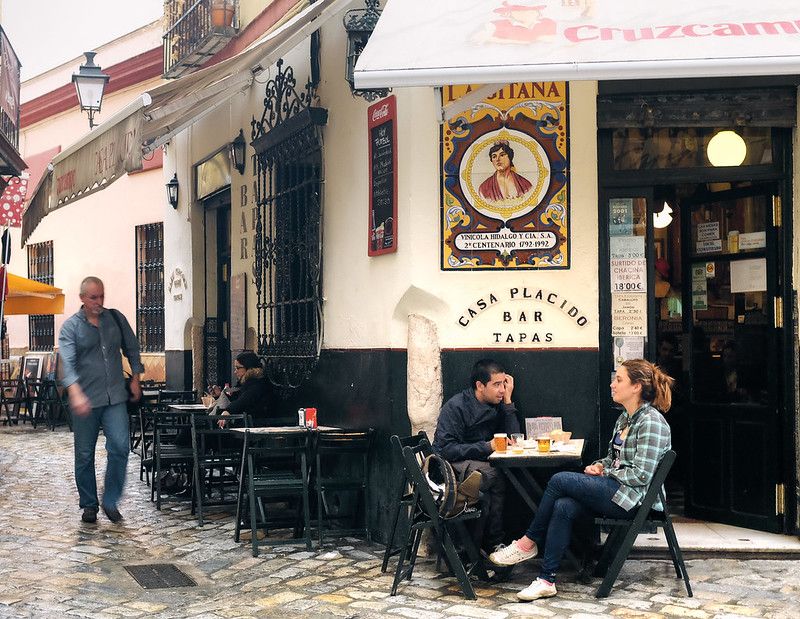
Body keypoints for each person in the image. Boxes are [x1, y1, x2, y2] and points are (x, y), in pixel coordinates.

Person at [489, 359, 673, 601]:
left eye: (619, 380)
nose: (612, 384)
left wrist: (605, 473)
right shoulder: (625, 419)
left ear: (636, 387)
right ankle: (546, 580)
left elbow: (641, 475)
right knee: (563, 505)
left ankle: (527, 542)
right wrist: (600, 465)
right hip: (616, 490)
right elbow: (613, 459)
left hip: (633, 500)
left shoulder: (651, 421)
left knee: (559, 480)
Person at [59, 276, 143, 524]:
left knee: (120, 447)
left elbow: (132, 348)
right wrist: (75, 393)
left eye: (101, 296)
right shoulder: (71, 328)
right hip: (85, 400)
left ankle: (110, 500)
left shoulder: (115, 319)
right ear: (82, 298)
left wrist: (136, 378)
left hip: (114, 397)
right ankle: (88, 505)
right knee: (84, 455)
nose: (98, 302)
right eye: (93, 297)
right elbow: (67, 364)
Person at [433, 358, 520, 554]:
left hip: (476, 463)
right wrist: (486, 447)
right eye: (497, 385)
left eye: (503, 384)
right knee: (494, 477)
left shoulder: (496, 404)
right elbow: (447, 449)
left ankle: (486, 545)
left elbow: (515, 438)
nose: (501, 389)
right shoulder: (456, 407)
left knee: (496, 477)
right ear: (480, 386)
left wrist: (508, 400)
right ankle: (483, 547)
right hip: (448, 467)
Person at [215, 351, 272, 427]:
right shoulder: (245, 381)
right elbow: (236, 399)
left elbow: (245, 399)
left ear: (248, 367)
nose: (235, 372)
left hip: (256, 423)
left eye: (238, 368)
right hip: (246, 421)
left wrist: (228, 411)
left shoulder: (257, 382)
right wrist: (219, 395)